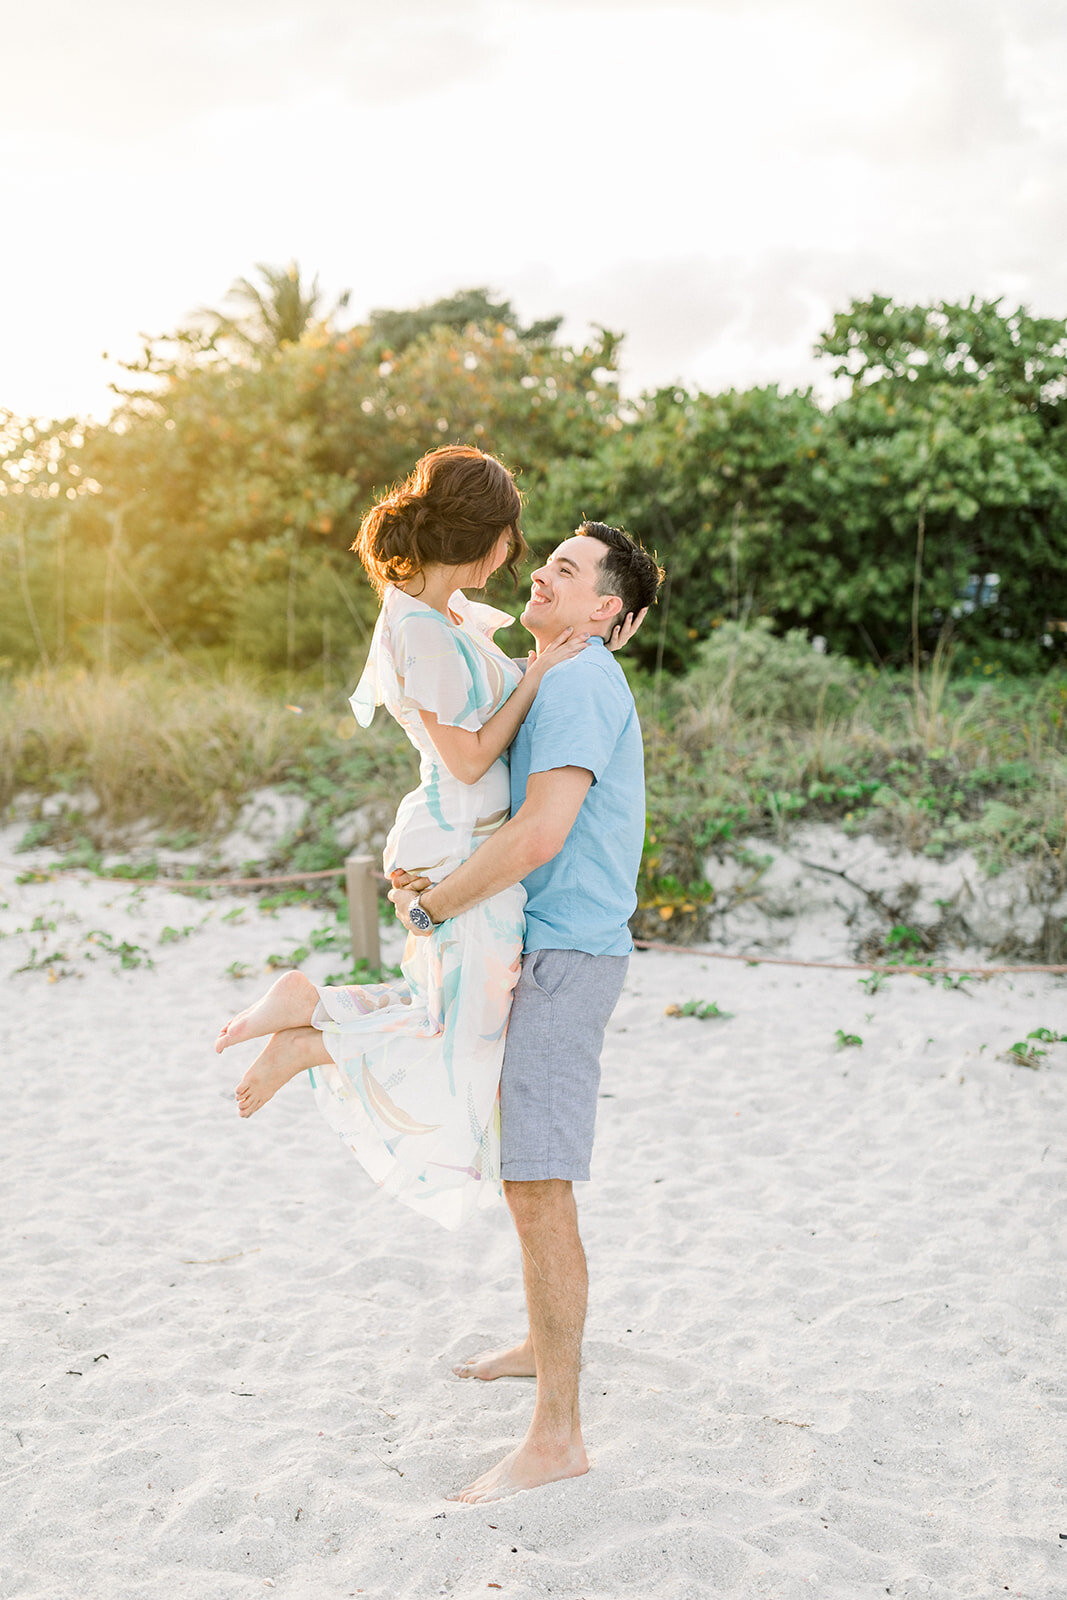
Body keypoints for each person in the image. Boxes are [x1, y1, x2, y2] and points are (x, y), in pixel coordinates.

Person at [214, 444, 593, 1230]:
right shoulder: (421, 628)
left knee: (448, 1017)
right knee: (460, 1034)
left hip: (460, 835)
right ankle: (308, 1037)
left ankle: (311, 1007)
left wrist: (536, 668)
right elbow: (466, 757)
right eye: (509, 540)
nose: (511, 558)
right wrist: (534, 675)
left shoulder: (441, 613)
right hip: (459, 836)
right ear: (478, 535)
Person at [389, 519, 665, 1503]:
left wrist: (434, 901)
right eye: (543, 558)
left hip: (563, 956)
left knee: (541, 1186)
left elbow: (543, 830)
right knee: (524, 1179)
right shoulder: (547, 669)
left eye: (566, 570)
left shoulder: (584, 678)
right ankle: (538, 1346)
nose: (542, 574)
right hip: (532, 946)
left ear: (607, 612)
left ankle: (557, 1434)